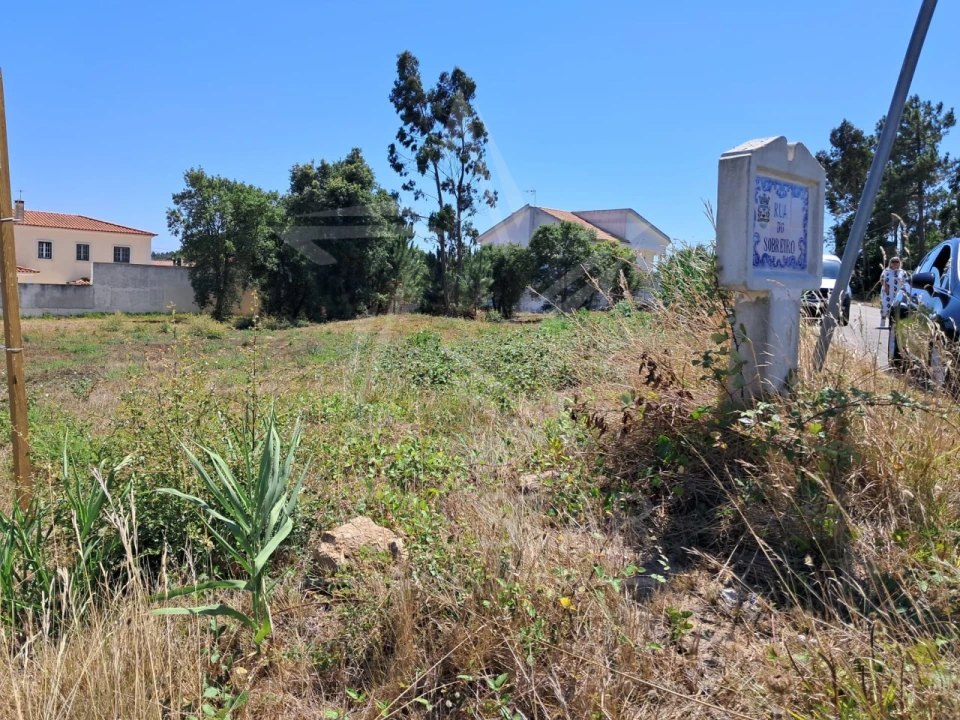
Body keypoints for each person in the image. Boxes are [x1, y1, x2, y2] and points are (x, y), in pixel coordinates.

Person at [880, 257, 907, 328]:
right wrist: (886, 287)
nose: (895, 263)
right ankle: (882, 323)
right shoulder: (886, 271)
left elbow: (905, 282)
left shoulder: (903, 272)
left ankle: (892, 324)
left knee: (896, 308)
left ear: (899, 263)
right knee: (885, 307)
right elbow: (882, 279)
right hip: (888, 292)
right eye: (893, 261)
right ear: (890, 263)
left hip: (898, 293)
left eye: (897, 261)